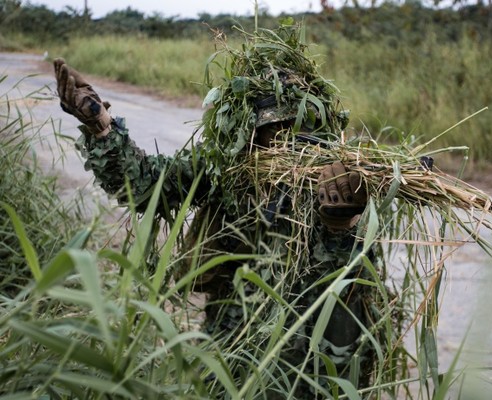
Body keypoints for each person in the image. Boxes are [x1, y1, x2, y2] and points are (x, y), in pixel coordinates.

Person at [53, 25, 385, 399]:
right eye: (270, 133)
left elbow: (348, 287)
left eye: (292, 132)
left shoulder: (337, 181)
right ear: (246, 135)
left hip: (307, 358)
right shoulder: (224, 168)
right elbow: (146, 185)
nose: (281, 145)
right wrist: (101, 125)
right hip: (231, 342)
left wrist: (339, 225)